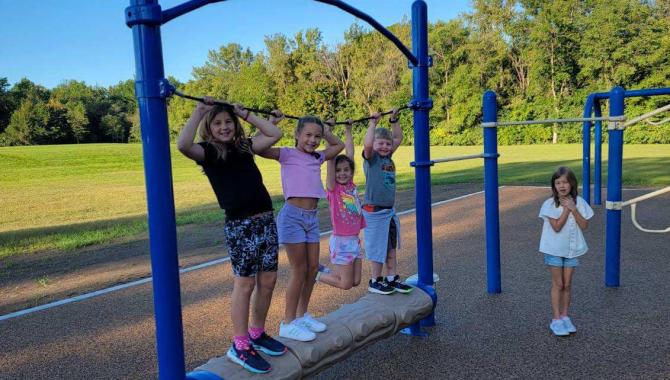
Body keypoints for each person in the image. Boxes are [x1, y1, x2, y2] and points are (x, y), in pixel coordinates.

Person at [177, 97, 286, 374]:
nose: (224, 127)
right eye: (217, 123)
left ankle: (257, 333)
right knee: (245, 284)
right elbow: (182, 145)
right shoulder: (208, 152)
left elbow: (275, 133)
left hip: (265, 220)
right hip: (241, 226)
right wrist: (199, 111)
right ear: (209, 128)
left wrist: (246, 113)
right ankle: (239, 344)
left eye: (228, 122)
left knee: (269, 280)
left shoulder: (245, 146)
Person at [260, 115, 344, 341]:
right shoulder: (286, 154)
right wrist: (272, 123)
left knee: (313, 268)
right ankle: (287, 322)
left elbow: (339, 146)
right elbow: (258, 148)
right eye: (307, 135)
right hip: (292, 217)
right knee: (299, 269)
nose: (313, 140)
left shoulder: (317, 157)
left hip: (311, 218)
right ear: (296, 134)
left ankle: (302, 314)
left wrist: (324, 130)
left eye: (317, 136)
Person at [361, 110, 413, 295]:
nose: (384, 146)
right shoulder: (372, 159)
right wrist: (373, 124)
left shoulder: (388, 158)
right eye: (380, 143)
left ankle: (391, 278)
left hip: (389, 212)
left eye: (387, 144)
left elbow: (398, 136)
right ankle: (375, 281)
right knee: (377, 250)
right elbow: (367, 145)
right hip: (374, 212)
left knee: (391, 248)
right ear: (374, 145)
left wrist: (394, 119)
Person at [539, 166, 594, 337]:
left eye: (565, 182)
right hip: (554, 249)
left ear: (572, 184)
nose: (562, 186)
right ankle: (556, 319)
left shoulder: (580, 202)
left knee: (568, 284)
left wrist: (574, 208)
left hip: (572, 250)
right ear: (553, 185)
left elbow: (584, 225)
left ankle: (565, 316)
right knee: (559, 284)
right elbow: (556, 227)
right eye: (558, 183)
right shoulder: (549, 204)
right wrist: (565, 209)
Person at [317, 119, 366, 290]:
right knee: (345, 285)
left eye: (346, 170)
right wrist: (327, 132)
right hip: (342, 242)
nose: (342, 173)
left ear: (351, 172)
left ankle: (328, 271)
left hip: (355, 240)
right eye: (338, 171)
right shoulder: (333, 189)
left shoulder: (351, 185)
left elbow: (350, 153)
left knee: (356, 281)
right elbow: (331, 160)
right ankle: (316, 274)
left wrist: (348, 130)